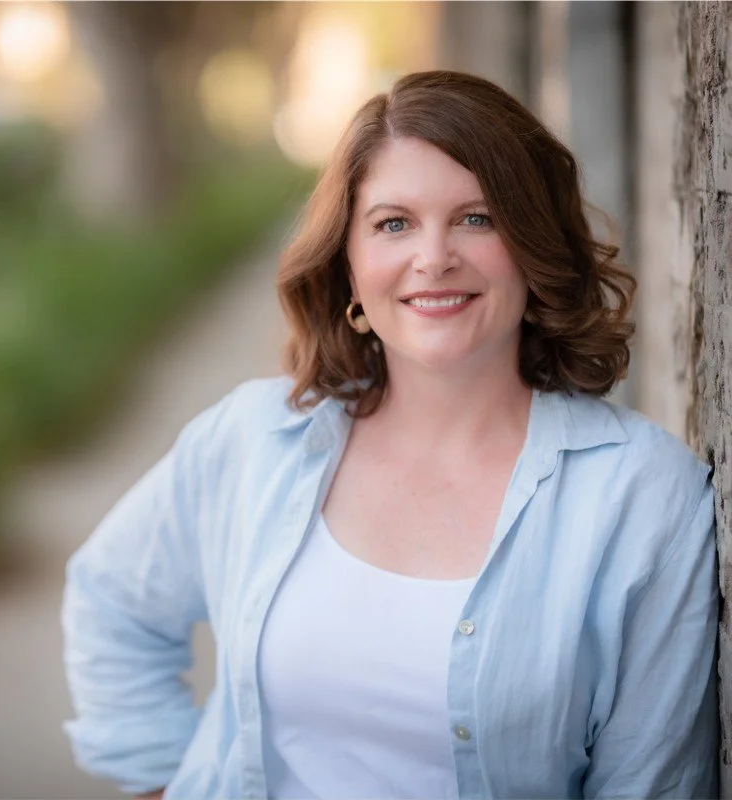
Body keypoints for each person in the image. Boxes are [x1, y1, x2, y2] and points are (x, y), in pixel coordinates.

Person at [61, 71, 719, 800]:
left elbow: (653, 781)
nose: (433, 258)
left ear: (535, 245)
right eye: (393, 223)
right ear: (348, 261)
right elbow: (110, 598)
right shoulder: (252, 440)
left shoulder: (643, 495)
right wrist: (163, 782)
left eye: (477, 218)